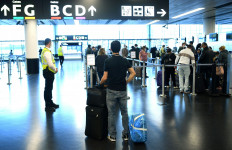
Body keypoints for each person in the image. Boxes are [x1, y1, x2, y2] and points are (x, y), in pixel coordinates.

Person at [100, 40, 136, 142]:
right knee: (124, 112)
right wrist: (126, 81)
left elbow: (105, 77)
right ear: (120, 49)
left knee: (111, 114)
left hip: (111, 90)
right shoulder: (124, 60)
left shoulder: (108, 61)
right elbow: (133, 73)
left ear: (111, 49)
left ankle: (112, 136)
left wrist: (100, 84)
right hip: (122, 90)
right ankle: (125, 135)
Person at [41, 38, 59, 112]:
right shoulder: (47, 52)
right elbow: (50, 63)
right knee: (48, 89)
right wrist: (55, 69)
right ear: (49, 43)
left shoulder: (45, 51)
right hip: (49, 71)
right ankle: (48, 106)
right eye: (51, 43)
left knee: (49, 88)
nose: (51, 44)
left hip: (48, 71)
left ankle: (50, 102)